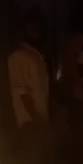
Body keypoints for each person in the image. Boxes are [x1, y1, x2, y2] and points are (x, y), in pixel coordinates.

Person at [8, 17, 50, 164]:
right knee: (30, 156)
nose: (36, 33)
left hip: (40, 115)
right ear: (24, 32)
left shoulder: (37, 55)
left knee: (39, 155)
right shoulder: (18, 56)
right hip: (28, 119)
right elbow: (21, 90)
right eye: (32, 30)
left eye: (37, 29)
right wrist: (34, 116)